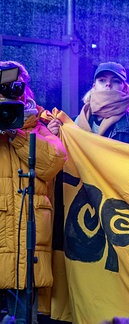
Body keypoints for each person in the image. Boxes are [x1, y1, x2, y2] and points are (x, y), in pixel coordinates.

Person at [0, 61, 67, 323]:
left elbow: (53, 161)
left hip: (25, 249)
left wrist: (15, 132)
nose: (10, 94)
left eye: (16, 88)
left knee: (24, 317)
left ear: (27, 90)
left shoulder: (40, 125)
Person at [47, 61, 129, 145]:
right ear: (94, 86)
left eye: (116, 81)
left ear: (125, 88)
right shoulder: (72, 123)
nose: (108, 84)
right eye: (102, 80)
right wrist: (52, 138)